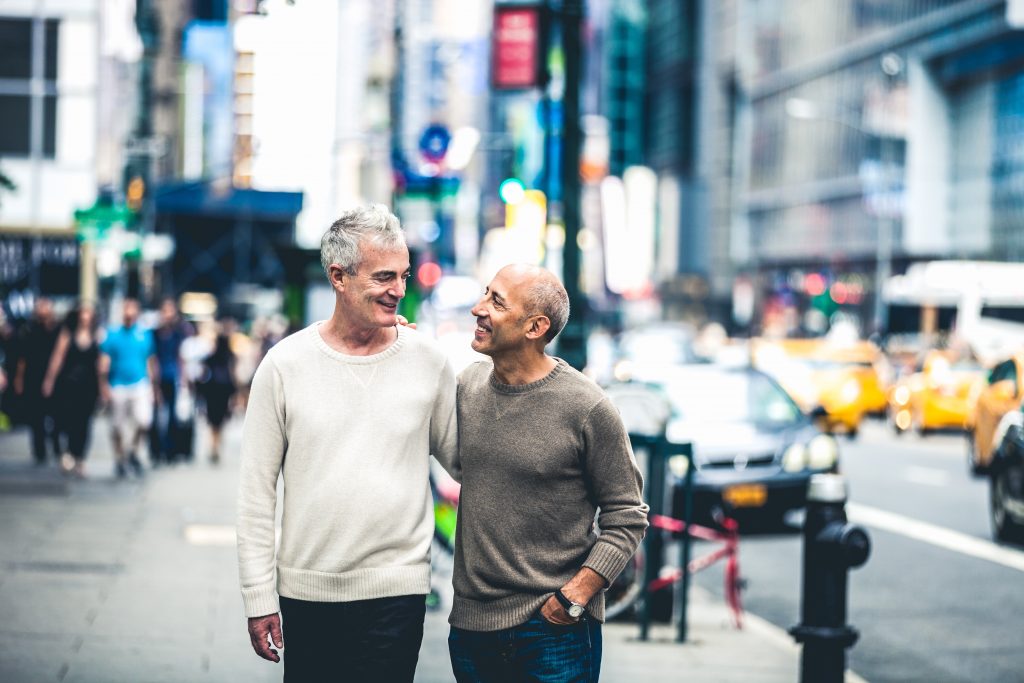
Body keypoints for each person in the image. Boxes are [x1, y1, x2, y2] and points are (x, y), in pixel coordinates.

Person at [236, 204, 457, 681]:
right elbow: (256, 494)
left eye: (402, 275)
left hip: (397, 590)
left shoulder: (427, 361)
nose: (398, 290)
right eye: (383, 277)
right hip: (307, 592)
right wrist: (259, 596)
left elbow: (466, 461)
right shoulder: (284, 365)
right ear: (339, 276)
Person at [447, 264, 649, 683]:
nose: (477, 309)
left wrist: (575, 596)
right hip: (471, 629)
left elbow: (627, 516)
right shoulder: (466, 387)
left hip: (553, 629)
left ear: (535, 327)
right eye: (485, 294)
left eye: (496, 301)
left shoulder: (586, 406)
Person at [99, 298, 159, 479]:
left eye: (132, 309)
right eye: (126, 309)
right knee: (117, 425)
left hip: (140, 384)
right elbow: (104, 362)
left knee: (144, 421)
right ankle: (119, 458)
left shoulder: (144, 335)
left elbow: (150, 361)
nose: (129, 313)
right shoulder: (112, 334)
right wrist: (103, 387)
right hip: (118, 385)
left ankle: (133, 450)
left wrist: (154, 387)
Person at [41, 303, 102, 478]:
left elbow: (100, 364)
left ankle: (80, 457)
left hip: (89, 387)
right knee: (67, 421)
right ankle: (67, 452)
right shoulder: (68, 334)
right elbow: (57, 358)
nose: (85, 316)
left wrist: (103, 387)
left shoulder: (97, 335)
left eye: (89, 313)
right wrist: (49, 380)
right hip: (69, 386)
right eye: (83, 313)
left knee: (85, 423)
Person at [14, 297, 61, 465]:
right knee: (36, 417)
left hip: (55, 379)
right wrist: (19, 379)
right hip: (33, 378)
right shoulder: (28, 330)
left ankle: (57, 447)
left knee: (56, 415)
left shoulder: (58, 330)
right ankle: (39, 450)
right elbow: (22, 358)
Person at [152, 297, 190, 464]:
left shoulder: (178, 333)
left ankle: (170, 451)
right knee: (156, 417)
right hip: (157, 379)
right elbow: (151, 357)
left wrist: (183, 378)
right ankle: (156, 451)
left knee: (173, 418)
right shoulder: (154, 333)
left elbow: (180, 357)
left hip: (172, 377)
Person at [198, 327, 236, 463]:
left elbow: (203, 375)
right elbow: (233, 377)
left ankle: (213, 446)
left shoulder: (210, 358)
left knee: (213, 423)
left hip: (211, 393)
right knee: (220, 423)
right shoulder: (230, 357)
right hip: (224, 393)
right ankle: (216, 446)